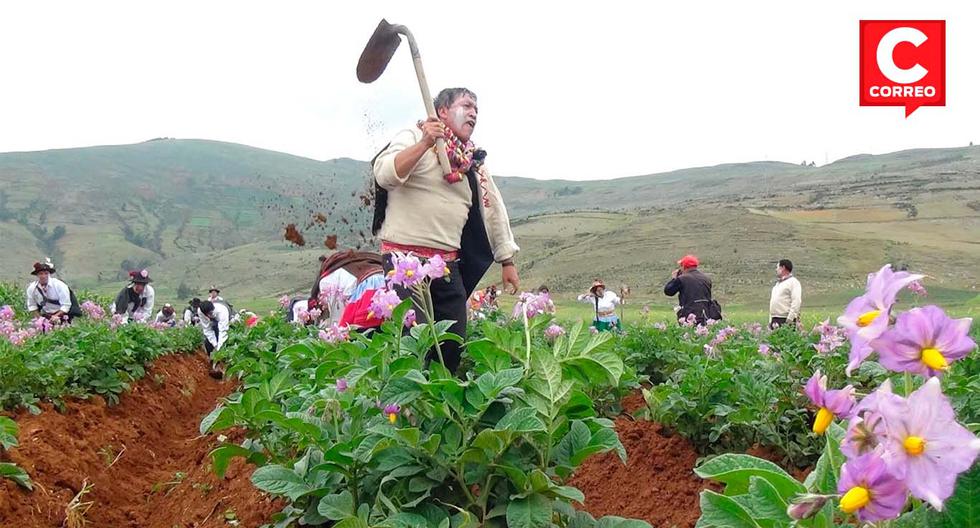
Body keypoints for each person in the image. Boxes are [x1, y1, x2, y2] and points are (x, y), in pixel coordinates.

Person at [372, 87, 520, 373]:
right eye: (467, 105)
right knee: (412, 344)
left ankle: (440, 410)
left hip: (446, 265)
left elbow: (492, 208)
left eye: (477, 108)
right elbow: (385, 174)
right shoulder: (413, 136)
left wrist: (507, 259)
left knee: (452, 344)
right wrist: (426, 142)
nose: (474, 112)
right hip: (404, 262)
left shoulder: (472, 161)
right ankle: (407, 412)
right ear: (442, 111)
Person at [309, 251, 386, 329]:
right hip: (387, 289)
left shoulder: (327, 281)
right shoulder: (363, 262)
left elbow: (338, 321)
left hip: (366, 298)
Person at [663, 255, 722, 325]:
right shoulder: (706, 278)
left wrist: (674, 279)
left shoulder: (682, 279)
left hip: (689, 316)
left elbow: (668, 291)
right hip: (706, 315)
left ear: (684, 267)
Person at [25, 259, 80, 323]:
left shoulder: (60, 285)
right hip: (46, 315)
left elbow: (66, 305)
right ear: (37, 275)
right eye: (41, 274)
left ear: (49, 274)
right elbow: (32, 306)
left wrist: (55, 317)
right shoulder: (32, 288)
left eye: (46, 273)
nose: (43, 276)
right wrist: (40, 319)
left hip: (63, 315)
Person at [199, 300, 229, 378]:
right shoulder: (201, 312)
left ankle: (224, 365)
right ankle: (214, 364)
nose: (209, 316)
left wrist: (219, 348)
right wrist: (215, 345)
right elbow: (207, 329)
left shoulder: (222, 311)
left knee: (225, 343)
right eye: (207, 315)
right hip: (213, 324)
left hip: (225, 323)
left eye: (211, 313)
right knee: (208, 343)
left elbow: (223, 332)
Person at [769, 259, 802, 329]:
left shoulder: (793, 282)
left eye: (777, 267)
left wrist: (790, 319)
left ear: (783, 268)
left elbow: (796, 301)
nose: (776, 270)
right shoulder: (777, 284)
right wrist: (770, 320)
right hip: (774, 319)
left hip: (785, 319)